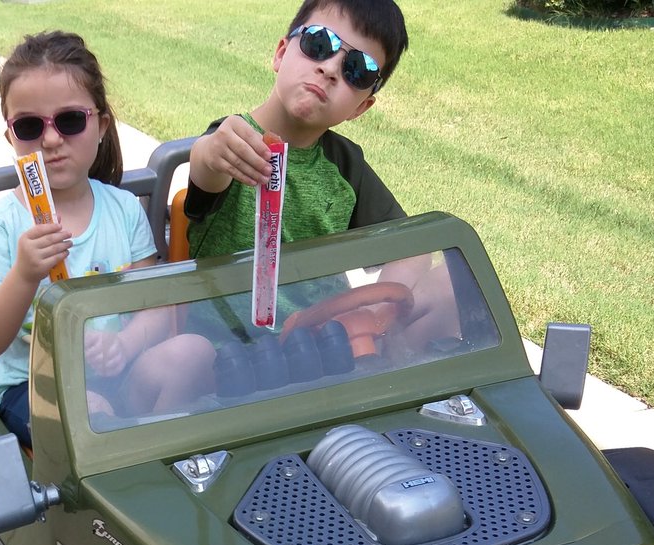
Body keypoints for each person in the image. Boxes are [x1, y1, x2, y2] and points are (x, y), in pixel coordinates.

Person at [0, 32, 213, 442]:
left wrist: (126, 344)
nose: (50, 140)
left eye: (70, 120)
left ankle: (160, 453)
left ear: (100, 126)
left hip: (120, 375)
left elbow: (154, 307)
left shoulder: (123, 209)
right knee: (91, 412)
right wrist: (25, 276)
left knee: (193, 350)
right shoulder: (2, 225)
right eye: (29, 126)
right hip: (33, 388)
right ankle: (139, 459)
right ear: (11, 137)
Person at [185, 0, 459, 349]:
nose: (330, 69)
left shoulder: (344, 164)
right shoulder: (235, 139)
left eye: (357, 69)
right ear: (281, 53)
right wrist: (210, 152)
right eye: (319, 44)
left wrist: (373, 314)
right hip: (228, 350)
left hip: (325, 346)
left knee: (451, 280)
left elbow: (411, 247)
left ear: (361, 106)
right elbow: (207, 164)